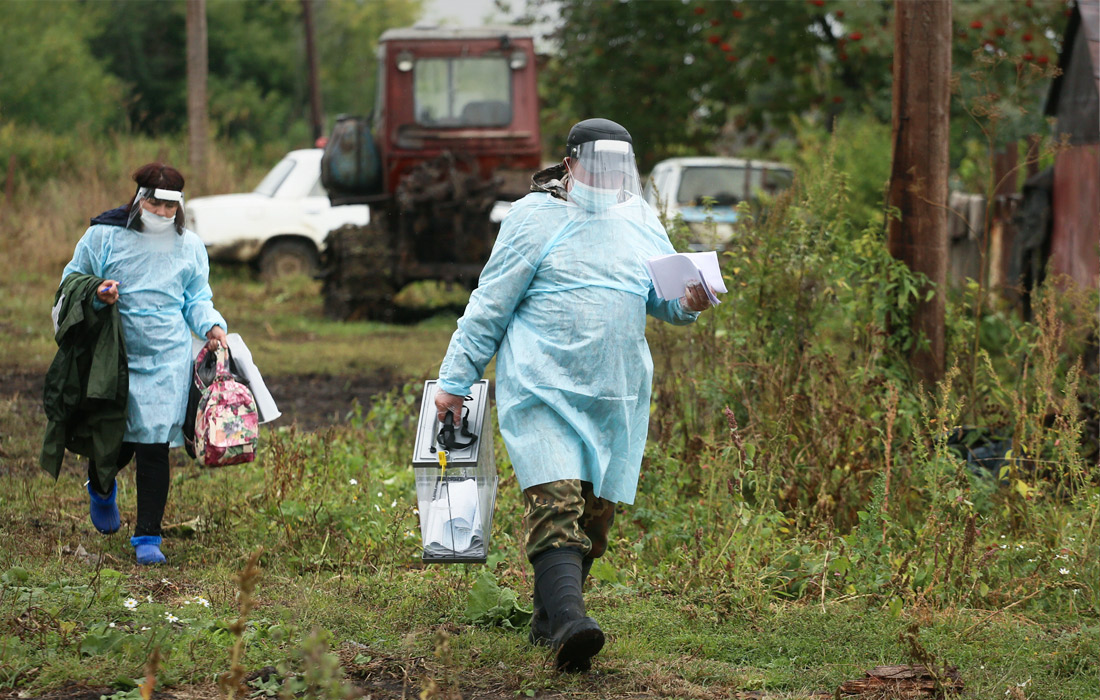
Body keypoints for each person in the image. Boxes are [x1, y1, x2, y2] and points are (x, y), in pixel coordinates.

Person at [433, 118, 714, 671]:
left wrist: (691, 301)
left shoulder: (639, 219)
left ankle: (550, 621)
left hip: (615, 397)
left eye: (618, 169)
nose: (608, 178)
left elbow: (664, 302)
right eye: (598, 166)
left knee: (594, 520)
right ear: (569, 164)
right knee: (555, 504)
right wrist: (454, 381)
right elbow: (490, 305)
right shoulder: (533, 218)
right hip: (543, 388)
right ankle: (570, 623)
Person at [49, 163, 227, 565]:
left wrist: (212, 325)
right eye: (153, 204)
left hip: (167, 359)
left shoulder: (190, 246)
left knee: (154, 447)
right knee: (116, 440)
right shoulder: (103, 236)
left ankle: (148, 537)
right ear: (139, 199)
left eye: (169, 208)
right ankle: (100, 487)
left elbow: (196, 297)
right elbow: (73, 279)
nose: (161, 214)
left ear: (179, 207)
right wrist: (98, 292)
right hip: (116, 355)